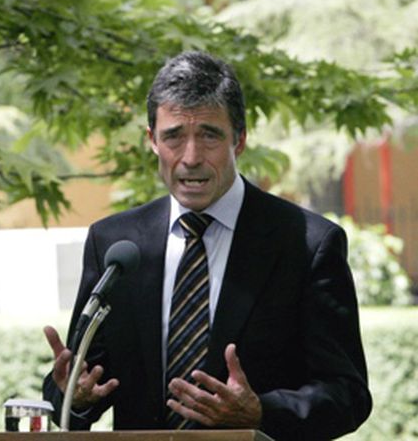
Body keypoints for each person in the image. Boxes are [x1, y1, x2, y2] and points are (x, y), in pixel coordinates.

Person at [42, 51, 372, 440]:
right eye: (173, 137)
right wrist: (74, 396)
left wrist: (261, 412)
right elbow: (82, 382)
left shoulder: (307, 243)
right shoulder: (115, 244)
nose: (191, 157)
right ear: (152, 140)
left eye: (209, 136)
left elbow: (348, 394)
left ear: (240, 140)